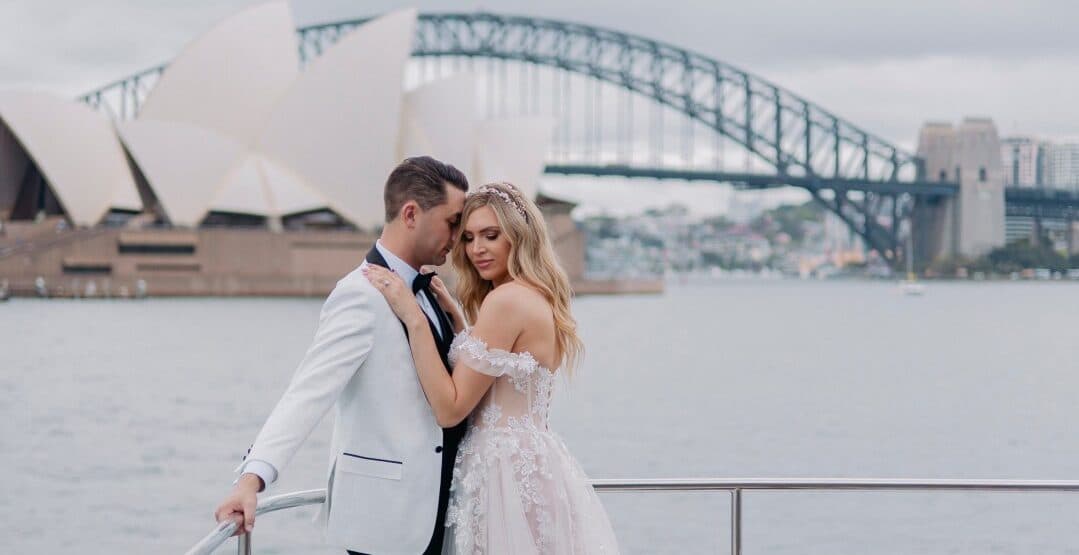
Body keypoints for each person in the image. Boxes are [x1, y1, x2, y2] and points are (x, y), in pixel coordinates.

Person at [213, 156, 470, 555]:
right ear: (410, 214)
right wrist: (251, 481)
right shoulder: (360, 295)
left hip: (440, 513)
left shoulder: (431, 291)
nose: (458, 235)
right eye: (453, 222)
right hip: (386, 522)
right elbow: (306, 393)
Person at [363, 182, 621, 554]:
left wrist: (413, 317)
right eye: (467, 237)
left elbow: (450, 409)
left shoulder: (505, 301)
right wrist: (460, 326)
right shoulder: (536, 296)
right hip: (534, 466)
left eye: (491, 235)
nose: (476, 249)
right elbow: (504, 377)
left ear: (518, 237)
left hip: (503, 477)